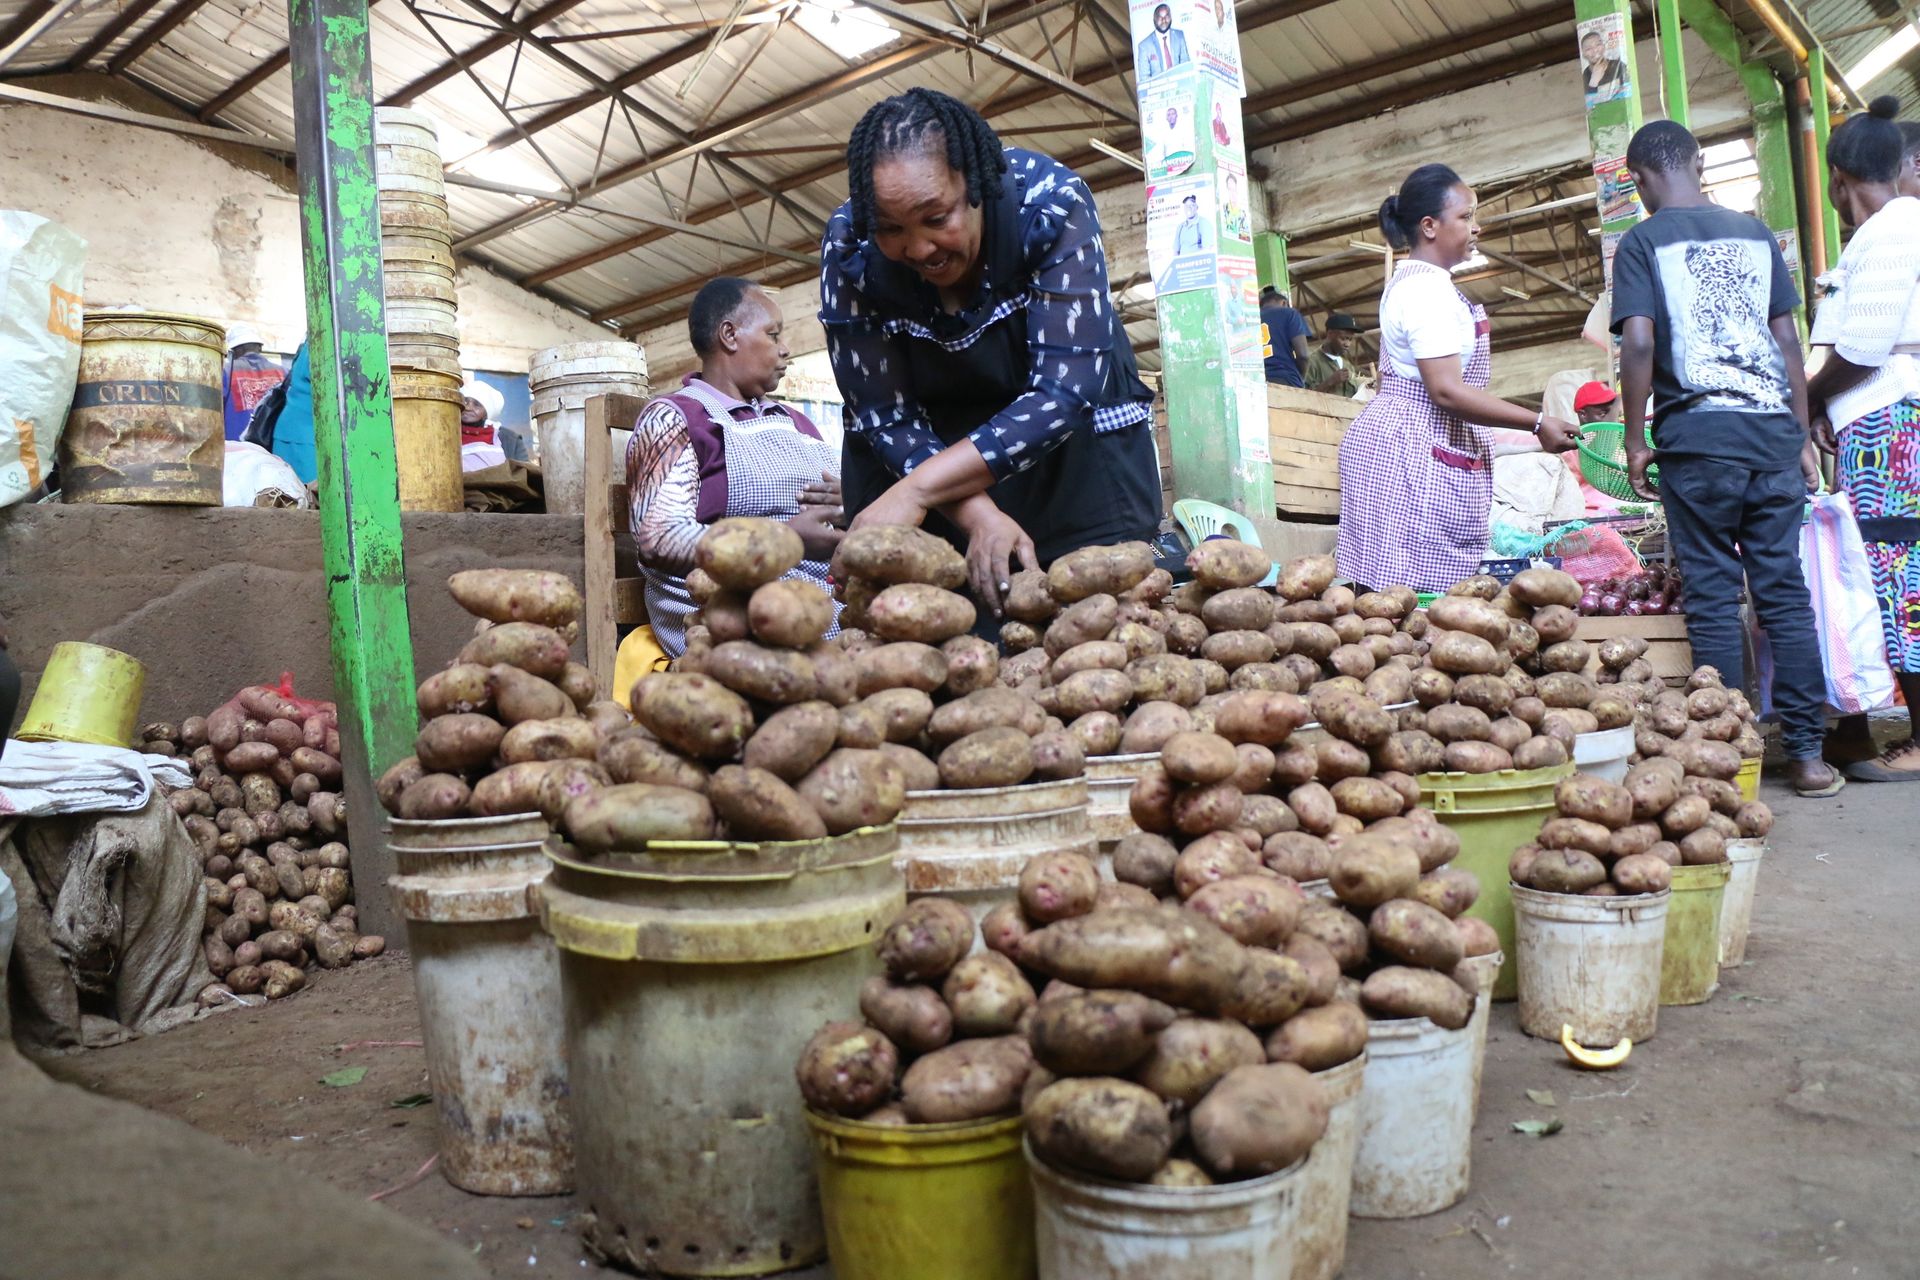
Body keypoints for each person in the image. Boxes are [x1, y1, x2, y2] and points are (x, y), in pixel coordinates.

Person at [819, 88, 1159, 615]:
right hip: (922, 458)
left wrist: (916, 492)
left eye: (937, 218)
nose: (918, 248)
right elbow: (884, 414)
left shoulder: (1048, 203)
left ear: (976, 187)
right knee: (925, 649)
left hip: (1069, 463)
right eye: (891, 229)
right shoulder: (849, 246)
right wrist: (974, 513)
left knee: (1094, 624)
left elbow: (1062, 394)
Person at [1611, 120, 1842, 797]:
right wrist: (1799, 433)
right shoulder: (1755, 235)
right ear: (1699, 163)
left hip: (1697, 442)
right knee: (1783, 595)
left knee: (1713, 600)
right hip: (1770, 436)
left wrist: (1632, 436)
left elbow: (1640, 347)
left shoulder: (1643, 240)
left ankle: (1735, 757)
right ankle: (1807, 757)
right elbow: (1788, 343)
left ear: (1641, 178)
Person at [1335, 163, 1582, 591]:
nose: (1477, 227)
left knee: (1413, 602)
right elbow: (1446, 390)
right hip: (1407, 454)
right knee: (1404, 597)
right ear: (1429, 226)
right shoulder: (1425, 292)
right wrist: (1537, 423)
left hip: (1419, 439)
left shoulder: (1426, 285)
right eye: (1466, 217)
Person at [629, 277, 844, 657]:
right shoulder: (679, 418)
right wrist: (782, 542)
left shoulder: (799, 424)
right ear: (729, 335)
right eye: (773, 334)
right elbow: (658, 537)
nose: (786, 350)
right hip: (735, 628)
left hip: (832, 616)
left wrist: (852, 502)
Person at [1807, 98, 1920, 781]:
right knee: (1891, 576)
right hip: (1876, 423)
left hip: (1891, 426)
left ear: (1839, 174)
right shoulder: (1885, 231)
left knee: (1901, 580)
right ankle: (1876, 727)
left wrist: (1813, 395)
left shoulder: (1895, 228)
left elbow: (1866, 344)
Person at [222, 323, 286, 442]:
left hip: (238, 449)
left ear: (233, 351)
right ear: (260, 347)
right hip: (274, 447)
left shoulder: (225, 372)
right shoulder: (283, 372)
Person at [1259, 286, 1311, 388]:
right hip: (1285, 379)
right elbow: (1303, 356)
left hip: (1258, 382)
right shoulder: (1290, 314)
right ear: (1284, 303)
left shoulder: (1250, 319)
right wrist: (1300, 378)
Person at [1302, 313, 1364, 397]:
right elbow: (1303, 396)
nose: (1347, 344)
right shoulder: (1312, 362)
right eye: (1343, 338)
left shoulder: (1348, 366)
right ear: (1330, 334)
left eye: (1350, 339)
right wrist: (1330, 382)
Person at [458, 378, 508, 472]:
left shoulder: (502, 438)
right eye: (465, 401)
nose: (468, 407)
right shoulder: (449, 432)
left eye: (476, 405)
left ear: (486, 414)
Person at [1136, 3, 1189, 80]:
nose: (1164, 20)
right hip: (1158, 89)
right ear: (1154, 20)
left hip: (1180, 85)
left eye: (1166, 16)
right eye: (1160, 17)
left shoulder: (1179, 36)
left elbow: (1185, 66)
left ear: (1170, 17)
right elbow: (1144, 79)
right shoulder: (1144, 46)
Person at [1580, 29, 1628, 106]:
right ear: (1584, 55)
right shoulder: (1586, 74)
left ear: (1604, 46)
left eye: (1598, 44)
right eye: (1588, 49)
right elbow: (1590, 106)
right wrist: (1594, 81)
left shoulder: (1618, 65)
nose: (1595, 50)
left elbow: (1627, 94)